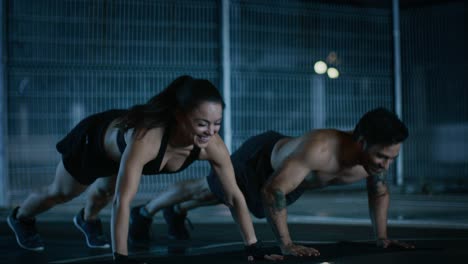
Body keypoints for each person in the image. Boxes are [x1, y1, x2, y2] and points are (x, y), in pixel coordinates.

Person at [7, 75, 282, 263]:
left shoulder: (212, 146)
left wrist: (253, 248)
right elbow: (124, 201)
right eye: (202, 124)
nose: (210, 132)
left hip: (120, 152)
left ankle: (87, 219)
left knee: (104, 189)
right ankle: (22, 216)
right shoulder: (147, 138)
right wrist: (122, 258)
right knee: (62, 192)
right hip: (94, 143)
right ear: (179, 116)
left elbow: (234, 196)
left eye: (217, 123)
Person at [129, 107, 415, 257]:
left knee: (213, 195)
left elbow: (378, 192)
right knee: (208, 189)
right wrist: (286, 244)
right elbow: (273, 189)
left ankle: (176, 212)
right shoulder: (321, 148)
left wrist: (382, 238)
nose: (384, 166)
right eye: (381, 157)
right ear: (362, 141)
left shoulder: (372, 161)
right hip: (259, 160)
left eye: (391, 158)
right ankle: (144, 212)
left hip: (288, 179)